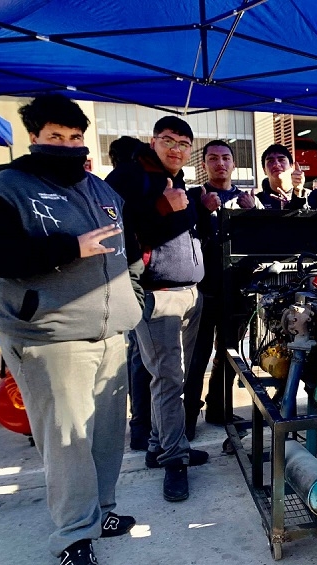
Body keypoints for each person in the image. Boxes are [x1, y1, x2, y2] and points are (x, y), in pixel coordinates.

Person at [0, 93, 142, 565]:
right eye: (55, 137)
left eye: (74, 137)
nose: (67, 145)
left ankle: (100, 512)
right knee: (68, 442)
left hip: (111, 334)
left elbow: (125, 249)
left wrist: (135, 295)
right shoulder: (8, 189)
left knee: (108, 436)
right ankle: (73, 537)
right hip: (51, 337)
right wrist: (70, 248)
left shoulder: (98, 187)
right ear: (34, 137)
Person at [106, 116, 208, 503]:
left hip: (187, 292)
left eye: (184, 143)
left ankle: (158, 445)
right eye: (168, 140)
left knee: (165, 378)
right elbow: (118, 234)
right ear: (153, 140)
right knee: (169, 380)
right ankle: (174, 460)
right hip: (156, 295)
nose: (176, 148)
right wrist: (162, 209)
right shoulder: (129, 178)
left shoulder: (172, 178)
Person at [184, 140, 259, 440]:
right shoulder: (193, 197)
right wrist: (202, 212)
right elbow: (184, 235)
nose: (220, 163)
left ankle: (219, 408)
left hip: (236, 292)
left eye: (226, 158)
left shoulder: (246, 198)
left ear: (233, 163)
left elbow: (257, 244)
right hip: (203, 291)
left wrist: (251, 214)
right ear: (204, 164)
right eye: (213, 158)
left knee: (228, 355)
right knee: (196, 356)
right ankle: (188, 417)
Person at [108, 135, 154, 451]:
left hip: (122, 277)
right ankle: (140, 427)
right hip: (138, 277)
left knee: (136, 354)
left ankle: (139, 424)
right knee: (142, 357)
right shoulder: (131, 181)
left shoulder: (108, 185)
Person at [255, 143, 309, 209]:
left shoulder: (311, 197)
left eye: (281, 160)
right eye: (271, 161)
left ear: (292, 166)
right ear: (264, 170)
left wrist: (298, 192)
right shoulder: (256, 201)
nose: (276, 164)